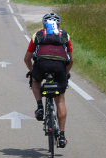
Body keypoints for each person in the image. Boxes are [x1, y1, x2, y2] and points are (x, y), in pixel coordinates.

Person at [24, 12, 73, 148]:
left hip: (41, 65)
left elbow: (27, 58)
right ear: (58, 24)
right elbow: (71, 59)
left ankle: (40, 107)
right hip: (59, 67)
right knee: (60, 99)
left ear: (43, 24)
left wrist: (31, 71)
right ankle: (62, 136)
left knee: (35, 80)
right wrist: (65, 73)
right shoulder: (65, 35)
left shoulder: (38, 35)